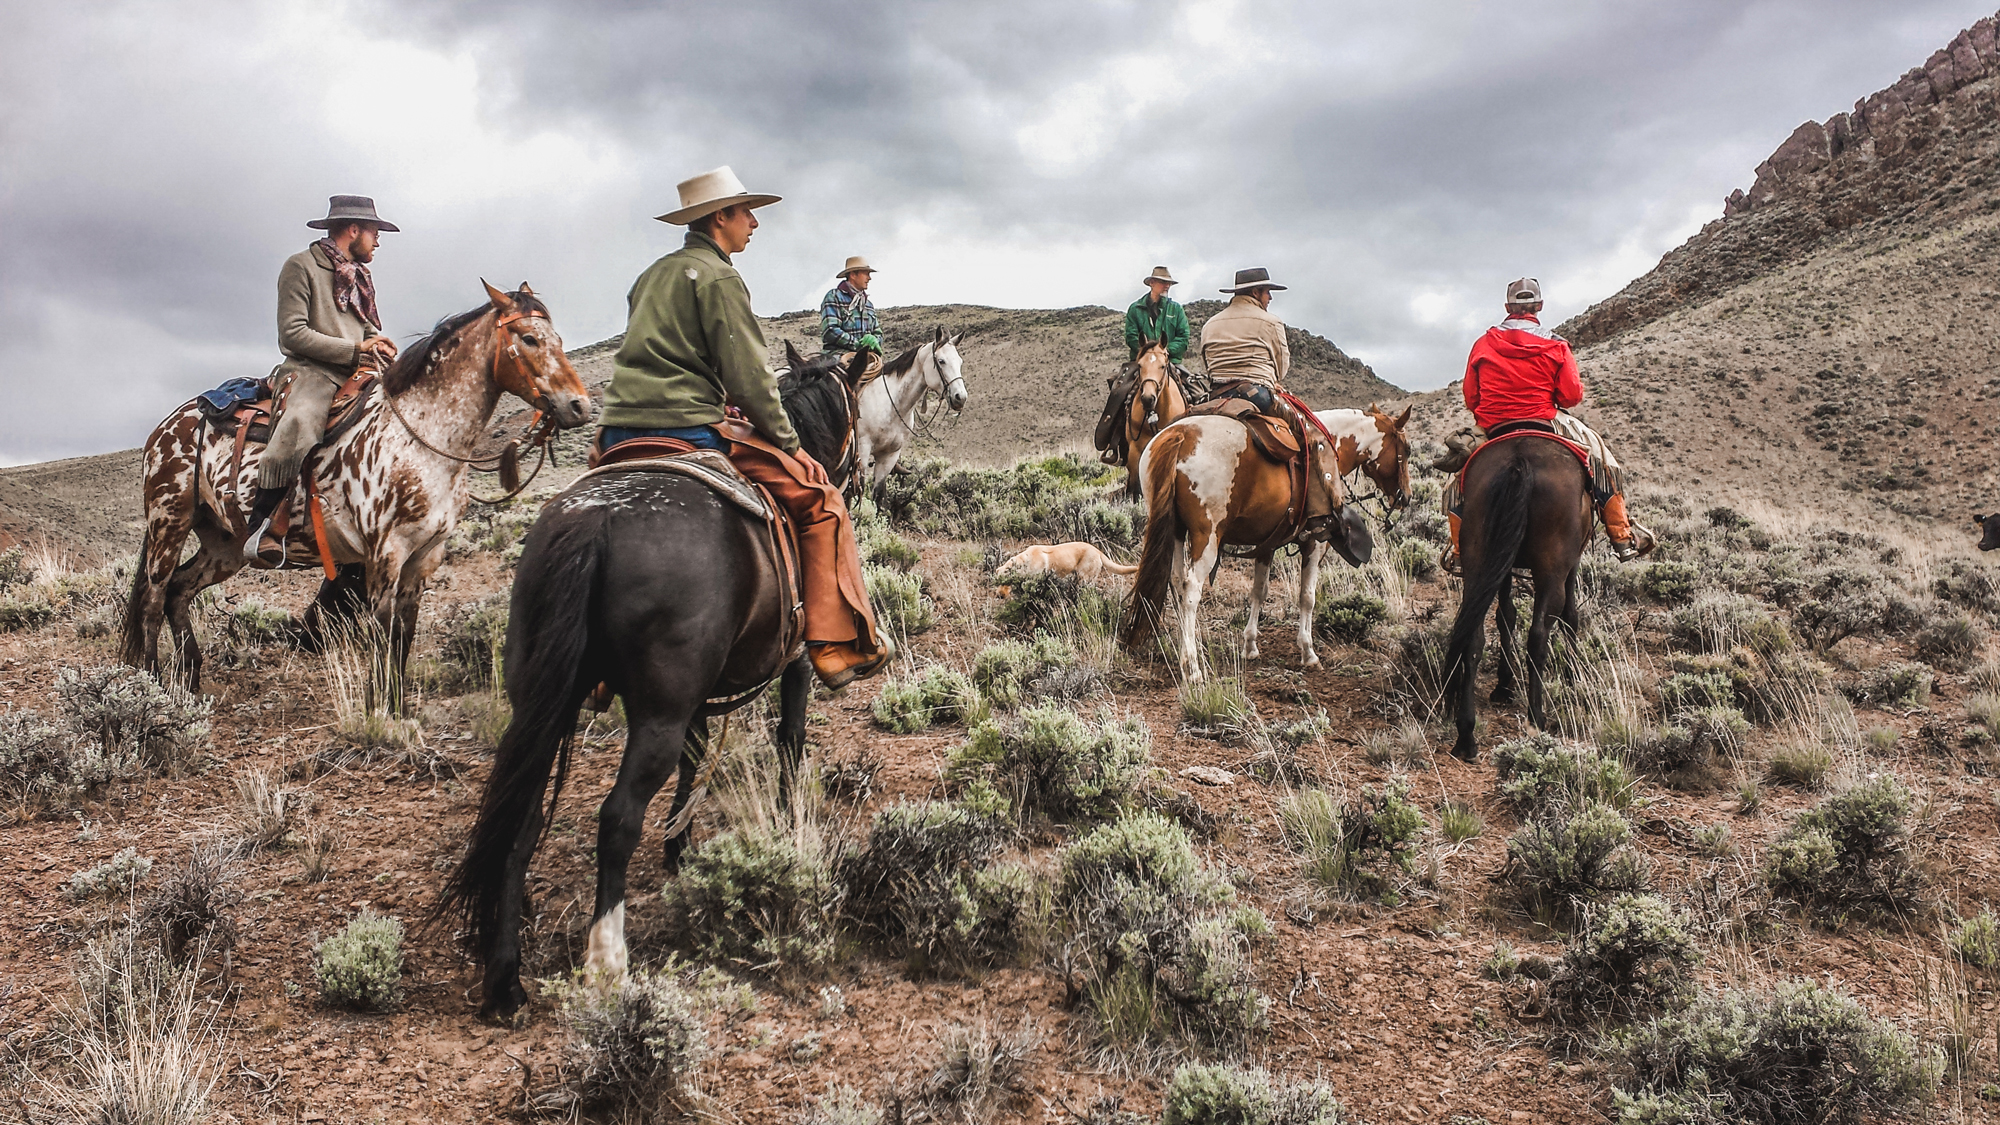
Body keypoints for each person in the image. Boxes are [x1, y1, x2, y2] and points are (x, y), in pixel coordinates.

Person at [597, 166, 887, 689]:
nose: (754, 222)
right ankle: (833, 643)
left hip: (616, 432)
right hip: (688, 427)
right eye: (746, 212)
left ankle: (598, 665)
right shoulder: (720, 277)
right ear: (720, 217)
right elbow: (753, 380)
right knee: (823, 501)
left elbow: (668, 355)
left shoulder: (651, 276)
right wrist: (788, 442)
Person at [1439, 277, 1656, 574]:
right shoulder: (1556, 343)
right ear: (1539, 307)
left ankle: (1460, 550)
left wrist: (1493, 410)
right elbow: (1571, 394)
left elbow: (1471, 396)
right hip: (1544, 418)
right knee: (1603, 460)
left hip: (1493, 424)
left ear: (1507, 307)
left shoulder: (1483, 344)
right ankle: (1621, 536)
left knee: (1457, 481)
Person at [244, 195, 401, 564]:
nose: (377, 242)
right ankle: (263, 526)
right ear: (353, 230)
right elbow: (292, 334)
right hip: (309, 372)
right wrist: (355, 350)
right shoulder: (300, 267)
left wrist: (378, 344)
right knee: (301, 422)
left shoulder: (358, 275)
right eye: (375, 233)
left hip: (357, 370)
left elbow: (364, 328)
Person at [1199, 267, 1344, 541]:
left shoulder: (1210, 324)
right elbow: (1282, 367)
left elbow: (1208, 364)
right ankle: (1317, 514)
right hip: (1257, 395)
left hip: (1216, 396)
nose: (1269, 298)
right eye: (1267, 292)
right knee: (1312, 437)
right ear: (1255, 292)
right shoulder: (1270, 322)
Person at [1094, 266, 1196, 464]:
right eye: (1162, 282)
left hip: (1169, 361)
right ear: (1151, 283)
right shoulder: (1135, 309)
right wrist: (1148, 352)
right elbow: (1131, 336)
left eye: (1168, 283)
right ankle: (1114, 443)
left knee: (1197, 392)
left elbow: (1184, 338)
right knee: (1119, 392)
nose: (1167, 286)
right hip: (1140, 361)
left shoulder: (1176, 310)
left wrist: (1165, 352)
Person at [820, 256, 882, 382]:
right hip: (837, 357)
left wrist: (875, 342)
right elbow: (830, 330)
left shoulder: (868, 304)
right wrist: (858, 344)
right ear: (853, 275)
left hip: (866, 359)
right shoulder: (834, 296)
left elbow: (877, 332)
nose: (869, 278)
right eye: (866, 274)